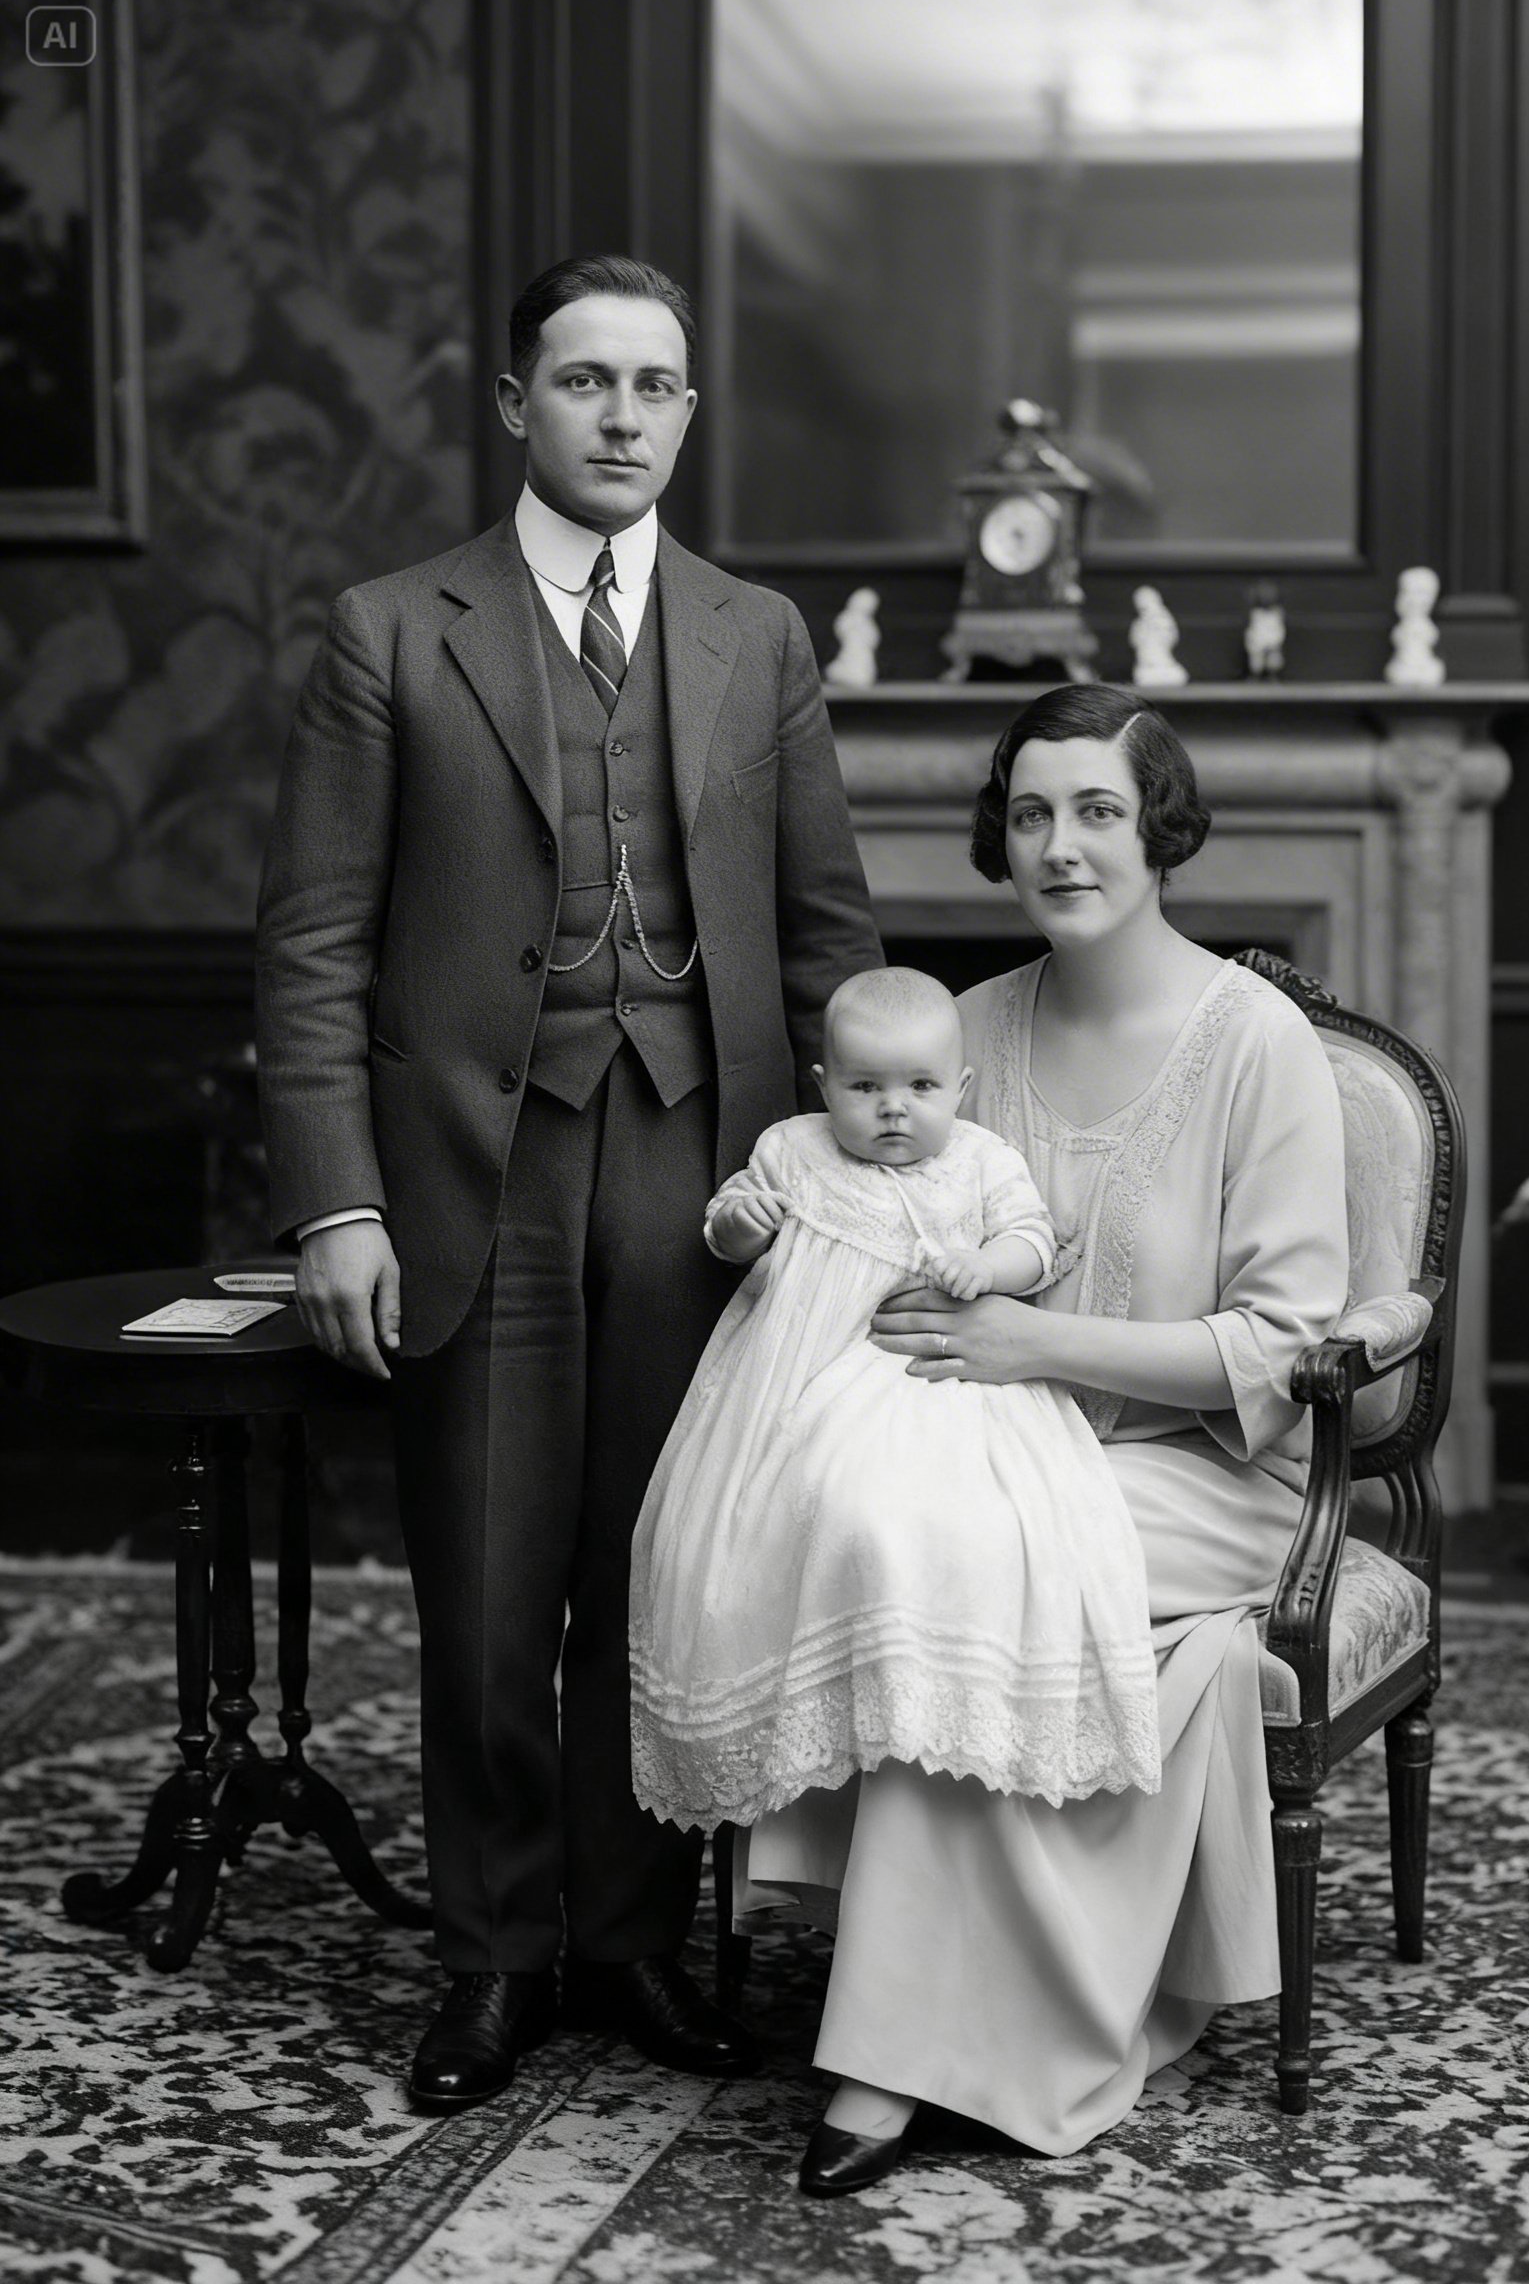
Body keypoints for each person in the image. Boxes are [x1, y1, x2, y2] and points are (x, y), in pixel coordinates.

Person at [254, 254, 881, 2111]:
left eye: (659, 386)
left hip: (704, 1161)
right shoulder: (389, 629)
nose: (625, 416)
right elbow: (309, 944)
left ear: (689, 411)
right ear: (515, 403)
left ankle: (624, 1939)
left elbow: (830, 926)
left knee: (660, 1575)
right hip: (475, 1161)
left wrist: (858, 1181)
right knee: (488, 1579)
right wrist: (336, 1200)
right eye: (589, 381)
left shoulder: (754, 635)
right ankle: (493, 1955)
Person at [730, 683, 1350, 2197]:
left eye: (1098, 812)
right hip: (986, 1455)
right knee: (888, 1534)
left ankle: (883, 2066)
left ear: (1162, 833)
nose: (1061, 846)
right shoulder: (964, 1033)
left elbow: (1281, 1347)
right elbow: (864, 1231)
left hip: (1211, 1479)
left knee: (970, 1570)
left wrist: (1029, 1344)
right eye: (1030, 814)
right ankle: (966, 2007)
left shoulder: (1256, 1042)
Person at [630, 965, 1161, 1837]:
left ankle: (922, 1718)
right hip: (803, 1379)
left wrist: (987, 1269)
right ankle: (831, 1723)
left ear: (960, 1089)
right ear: (823, 1085)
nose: (893, 1109)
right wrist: (740, 1226)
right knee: (798, 1509)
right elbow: (729, 1224)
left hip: (941, 1380)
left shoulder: (982, 1159)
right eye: (864, 1086)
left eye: (919, 1087)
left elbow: (1033, 1240)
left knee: (951, 1516)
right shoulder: (792, 1149)